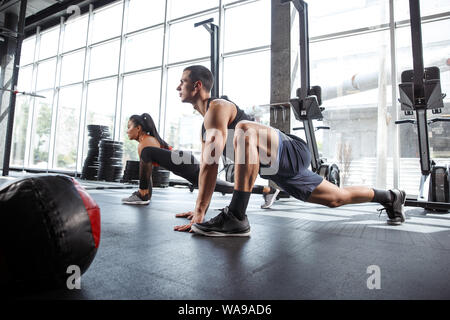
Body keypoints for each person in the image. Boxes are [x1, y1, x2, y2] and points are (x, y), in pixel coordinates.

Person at [173, 65, 406, 236]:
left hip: (292, 150)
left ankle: (236, 216)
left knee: (244, 129)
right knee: (336, 198)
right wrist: (198, 211)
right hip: (278, 170)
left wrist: (201, 212)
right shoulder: (205, 129)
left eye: (182, 82)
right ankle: (391, 197)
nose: (177, 87)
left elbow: (212, 163)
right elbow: (207, 169)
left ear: (197, 85)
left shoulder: (219, 107)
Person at [121, 113, 276, 205]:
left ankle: (142, 194)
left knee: (224, 187)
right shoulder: (147, 143)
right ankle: (268, 190)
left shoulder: (145, 144)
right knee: (227, 187)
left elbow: (146, 170)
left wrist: (143, 194)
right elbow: (146, 173)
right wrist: (146, 194)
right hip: (186, 163)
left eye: (129, 126)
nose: (127, 131)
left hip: (185, 162)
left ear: (138, 128)